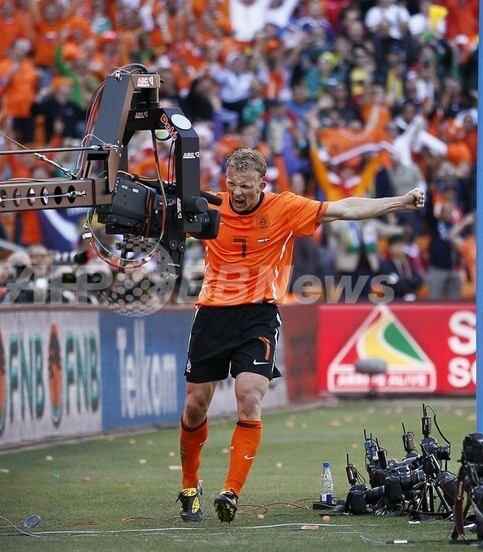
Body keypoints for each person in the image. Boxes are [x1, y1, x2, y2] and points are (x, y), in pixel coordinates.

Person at [177, 148, 424, 523]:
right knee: (195, 407)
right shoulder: (211, 206)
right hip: (211, 314)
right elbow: (160, 215)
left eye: (245, 186)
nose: (237, 192)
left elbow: (346, 209)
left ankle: (231, 491)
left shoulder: (285, 207)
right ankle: (189, 486)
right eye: (232, 184)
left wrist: (400, 202)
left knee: (249, 397)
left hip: (258, 314)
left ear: (262, 183)